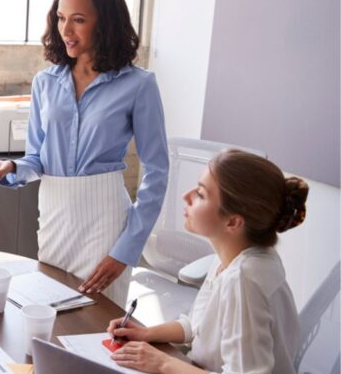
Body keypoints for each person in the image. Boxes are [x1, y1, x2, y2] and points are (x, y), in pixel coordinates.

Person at [0, 0, 168, 305]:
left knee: (97, 327)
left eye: (78, 19)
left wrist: (127, 249)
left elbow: (157, 172)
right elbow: (36, 159)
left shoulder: (138, 85)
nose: (66, 30)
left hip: (105, 222)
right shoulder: (44, 82)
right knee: (46, 318)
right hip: (54, 216)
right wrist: (11, 167)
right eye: (61, 18)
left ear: (105, 23)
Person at [107, 149, 307, 374]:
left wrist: (162, 363)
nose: (186, 196)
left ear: (232, 222)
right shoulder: (234, 256)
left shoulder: (244, 280)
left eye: (201, 194)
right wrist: (146, 333)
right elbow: (197, 325)